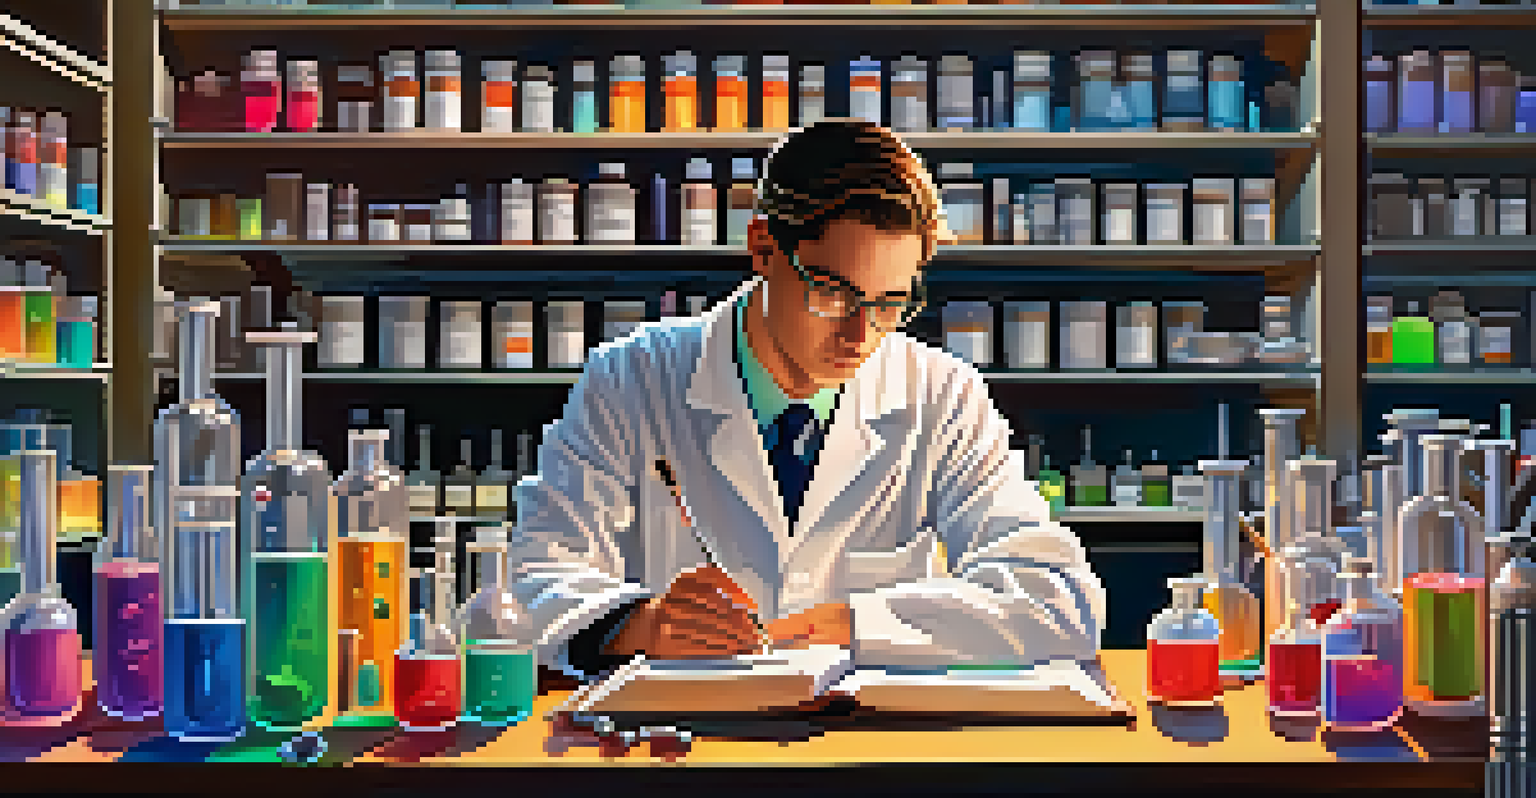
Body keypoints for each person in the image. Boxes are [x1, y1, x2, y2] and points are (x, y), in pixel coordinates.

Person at [509, 119, 1106, 678]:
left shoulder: (942, 395)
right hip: (677, 748)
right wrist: (637, 624)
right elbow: (530, 582)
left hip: (869, 750)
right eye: (832, 292)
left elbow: (1058, 596)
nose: (861, 333)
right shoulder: (633, 378)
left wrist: (861, 625)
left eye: (890, 303)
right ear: (763, 248)